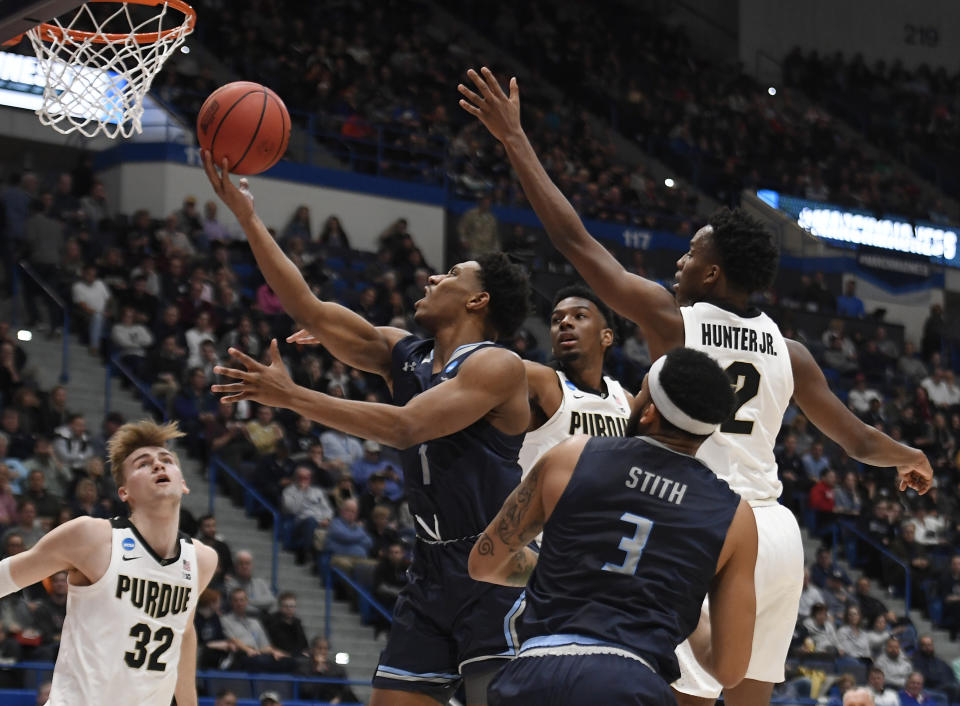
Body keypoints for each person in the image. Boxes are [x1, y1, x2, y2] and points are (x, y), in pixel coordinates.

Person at [457, 65, 933, 706]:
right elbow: (856, 441)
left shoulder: (671, 320)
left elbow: (573, 240)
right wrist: (908, 455)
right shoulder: (790, 352)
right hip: (776, 531)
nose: (678, 261)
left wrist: (515, 139)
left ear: (711, 273)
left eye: (689, 253)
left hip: (696, 519)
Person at [203, 150, 531, 706]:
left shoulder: (497, 365)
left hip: (493, 564)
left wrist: (291, 396)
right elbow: (308, 309)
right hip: (428, 568)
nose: (432, 276)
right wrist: (248, 218)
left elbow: (406, 428)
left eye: (450, 274)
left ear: (478, 300)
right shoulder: (403, 354)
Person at [468, 347, 757, 705]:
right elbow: (729, 670)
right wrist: (674, 603)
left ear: (649, 411)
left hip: (533, 673)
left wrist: (566, 570)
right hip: (629, 681)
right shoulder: (735, 515)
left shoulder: (571, 454)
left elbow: (484, 561)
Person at [0, 419, 217, 705]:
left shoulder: (202, 559)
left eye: (167, 460)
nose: (158, 465)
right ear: (124, 492)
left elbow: (184, 631)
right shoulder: (91, 537)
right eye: (142, 463)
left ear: (184, 483)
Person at [518, 284, 633, 481]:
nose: (564, 323)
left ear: (606, 337)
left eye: (579, 316)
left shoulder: (627, 400)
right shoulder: (538, 380)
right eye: (556, 320)